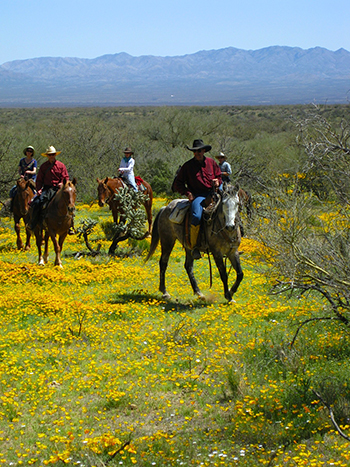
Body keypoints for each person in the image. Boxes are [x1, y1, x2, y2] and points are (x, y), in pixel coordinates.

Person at [172, 139, 222, 259]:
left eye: (199, 151)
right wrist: (188, 193)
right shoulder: (187, 166)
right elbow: (177, 184)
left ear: (204, 151)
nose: (197, 153)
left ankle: (230, 242)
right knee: (196, 216)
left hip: (213, 193)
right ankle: (194, 246)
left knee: (228, 209)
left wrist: (217, 181)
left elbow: (219, 176)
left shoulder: (212, 163)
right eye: (195, 151)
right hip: (198, 196)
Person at [29, 145, 69, 231]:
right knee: (37, 203)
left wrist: (62, 183)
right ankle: (34, 223)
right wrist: (39, 189)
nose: (52, 156)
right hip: (47, 189)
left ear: (55, 155)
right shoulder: (44, 166)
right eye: (50, 155)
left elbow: (65, 177)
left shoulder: (61, 165)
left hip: (58, 189)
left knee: (69, 203)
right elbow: (39, 180)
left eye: (53, 154)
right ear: (47, 156)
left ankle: (70, 225)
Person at [9, 146, 37, 210]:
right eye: (28, 151)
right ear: (26, 152)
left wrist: (29, 172)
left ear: (32, 153)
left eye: (30, 151)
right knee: (13, 190)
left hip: (31, 179)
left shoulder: (34, 161)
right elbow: (19, 169)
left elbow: (34, 171)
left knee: (36, 191)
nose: (29, 152)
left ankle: (35, 206)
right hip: (23, 179)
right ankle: (11, 206)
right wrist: (20, 175)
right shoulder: (22, 160)